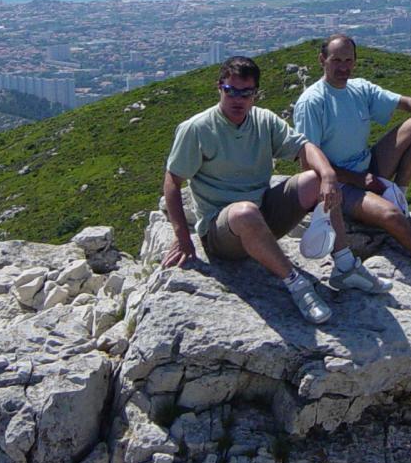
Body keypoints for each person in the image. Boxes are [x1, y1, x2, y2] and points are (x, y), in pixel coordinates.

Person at [162, 55, 390, 325]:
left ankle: (344, 265)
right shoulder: (197, 129)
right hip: (223, 232)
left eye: (246, 93)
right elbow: (172, 182)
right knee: (244, 213)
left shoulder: (263, 121)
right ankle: (297, 284)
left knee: (314, 180)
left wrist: (328, 175)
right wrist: (182, 236)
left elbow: (304, 146)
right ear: (219, 88)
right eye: (231, 91)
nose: (238, 99)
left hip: (262, 214)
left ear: (255, 94)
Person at [292, 34, 411, 299]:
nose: (343, 67)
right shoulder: (313, 101)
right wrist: (359, 180)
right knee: (391, 217)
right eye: (337, 60)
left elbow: (408, 102)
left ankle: (398, 193)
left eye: (349, 60)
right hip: (338, 183)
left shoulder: (358, 88)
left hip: (366, 166)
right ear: (322, 60)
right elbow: (308, 162)